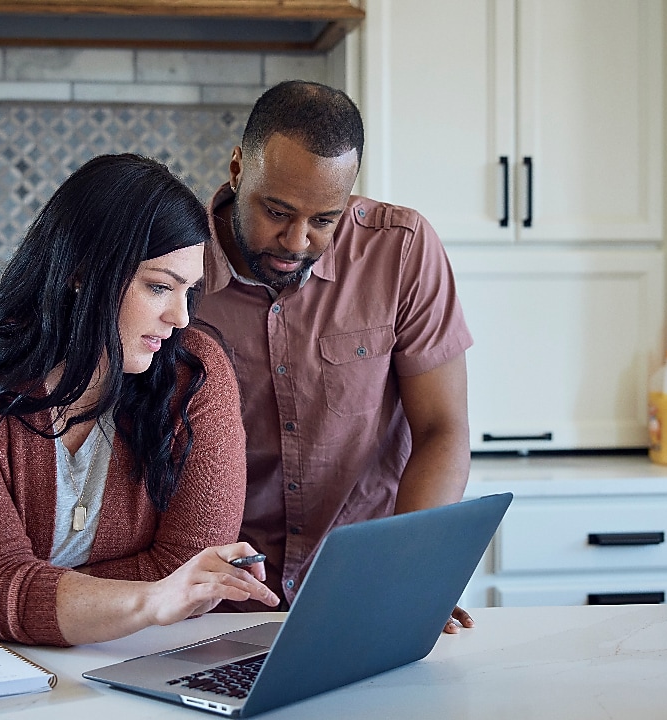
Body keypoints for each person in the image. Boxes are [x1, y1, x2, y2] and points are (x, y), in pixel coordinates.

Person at [0, 153, 278, 647]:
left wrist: (7, 596)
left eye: (190, 291)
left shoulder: (195, 375)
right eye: (159, 286)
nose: (181, 317)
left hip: (128, 660)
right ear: (80, 269)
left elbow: (191, 573)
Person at [197, 81, 475, 631]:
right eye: (276, 211)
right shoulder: (175, 267)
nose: (297, 240)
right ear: (237, 169)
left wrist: (410, 573)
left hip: (361, 593)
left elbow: (443, 429)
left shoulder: (401, 249)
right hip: (213, 604)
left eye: (324, 219)